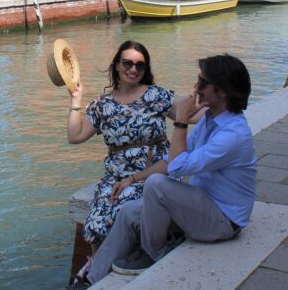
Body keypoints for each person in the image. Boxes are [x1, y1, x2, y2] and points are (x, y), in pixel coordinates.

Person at [78, 54, 257, 287]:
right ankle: (89, 279)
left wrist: (181, 120)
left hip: (224, 222)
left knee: (156, 185)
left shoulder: (233, 135)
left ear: (222, 91)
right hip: (201, 206)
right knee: (130, 211)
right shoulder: (211, 119)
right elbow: (169, 160)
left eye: (203, 82)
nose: (196, 88)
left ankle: (154, 253)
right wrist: (133, 178)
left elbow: (177, 167)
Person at [66, 41, 176, 255]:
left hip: (151, 174)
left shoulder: (157, 96)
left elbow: (189, 114)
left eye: (139, 65)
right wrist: (75, 99)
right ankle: (97, 270)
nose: (133, 69)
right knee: (95, 226)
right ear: (117, 65)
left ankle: (118, 264)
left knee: (120, 212)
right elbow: (75, 136)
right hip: (115, 177)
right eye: (127, 63)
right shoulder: (103, 104)